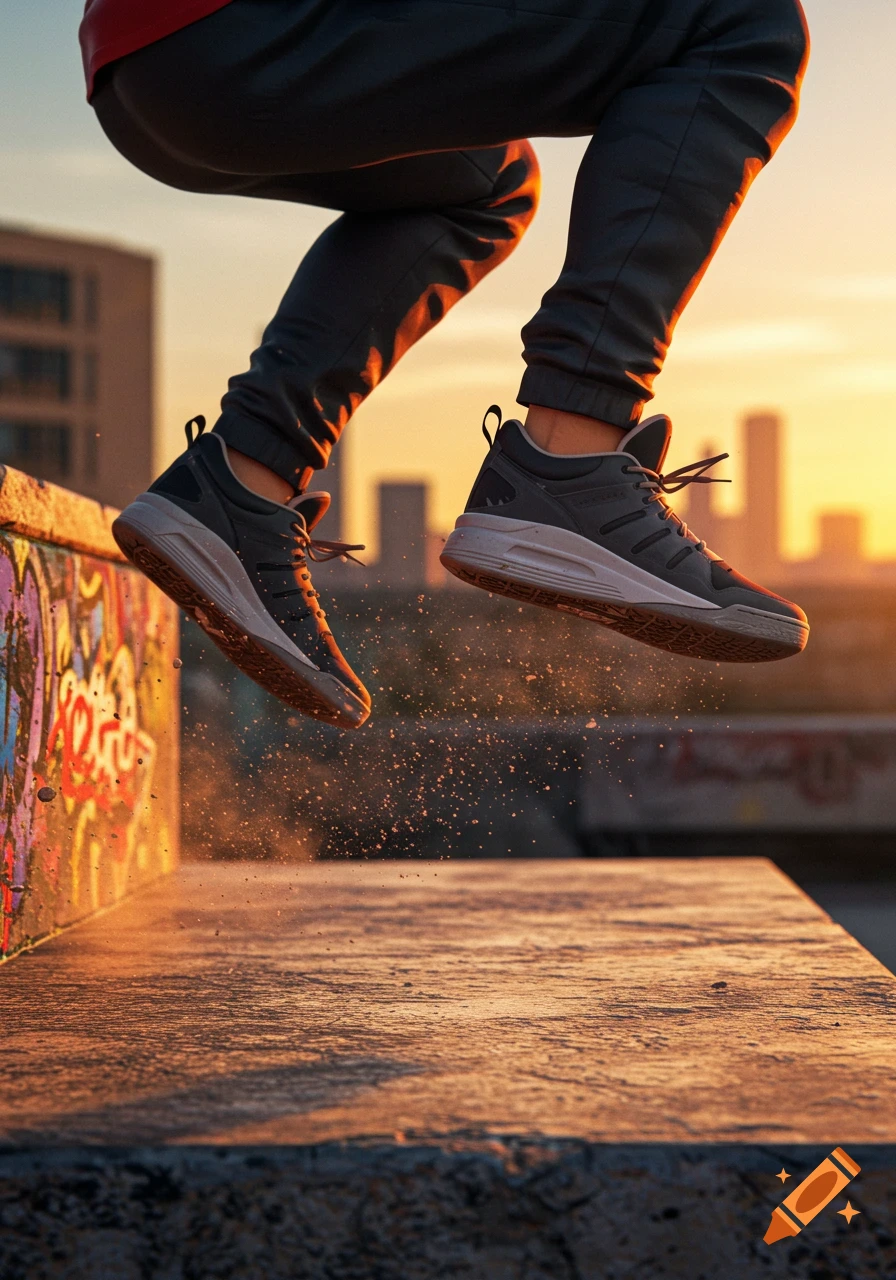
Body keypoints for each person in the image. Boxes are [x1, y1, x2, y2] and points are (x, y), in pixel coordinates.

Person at [81, 0, 810, 729]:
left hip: (150, 71)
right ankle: (571, 462)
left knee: (485, 184)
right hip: (230, 33)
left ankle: (239, 486)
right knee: (737, 21)